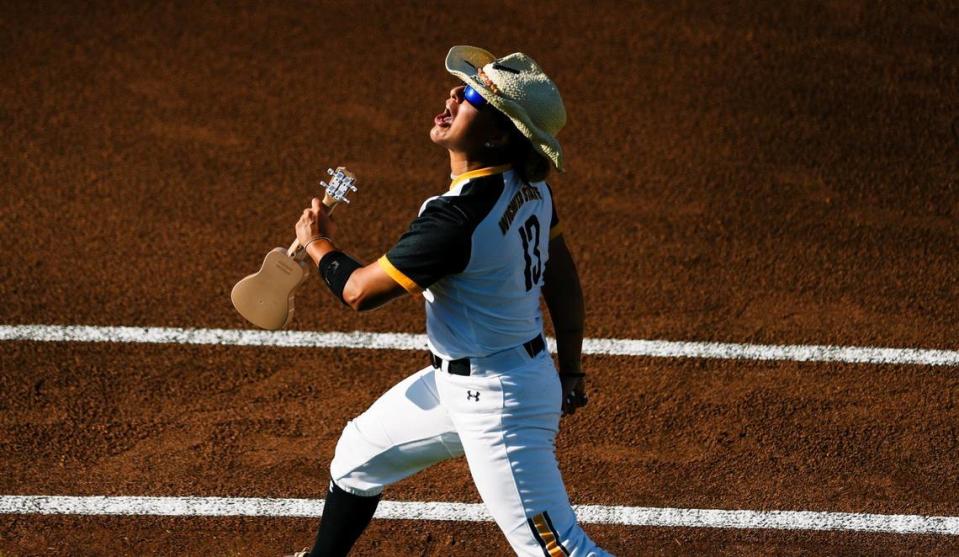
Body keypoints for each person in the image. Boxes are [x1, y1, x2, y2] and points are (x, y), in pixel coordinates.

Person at [288, 46, 610, 557]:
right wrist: (570, 369)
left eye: (475, 95)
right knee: (357, 456)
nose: (455, 93)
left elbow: (358, 292)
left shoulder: (456, 219)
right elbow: (563, 279)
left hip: (499, 401)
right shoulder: (530, 189)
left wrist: (315, 243)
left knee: (559, 550)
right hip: (466, 382)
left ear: (499, 134)